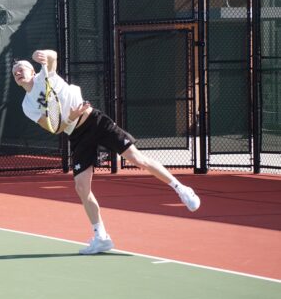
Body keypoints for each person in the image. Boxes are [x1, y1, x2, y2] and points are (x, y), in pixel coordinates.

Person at [12, 49, 201, 255]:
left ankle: (181, 188)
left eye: (21, 68)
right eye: (15, 73)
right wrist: (71, 116)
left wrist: (43, 53)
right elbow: (54, 128)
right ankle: (101, 237)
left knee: (137, 159)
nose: (18, 73)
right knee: (81, 187)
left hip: (95, 121)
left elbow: (53, 56)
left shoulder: (47, 76)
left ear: (32, 71)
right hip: (76, 135)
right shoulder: (27, 105)